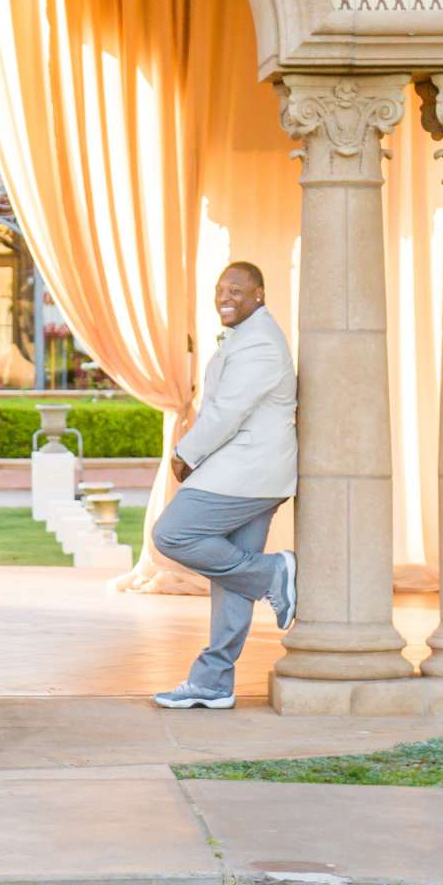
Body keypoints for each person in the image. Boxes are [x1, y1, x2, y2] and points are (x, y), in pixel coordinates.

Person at [151, 261, 298, 710]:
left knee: (172, 534)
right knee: (232, 575)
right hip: (253, 473)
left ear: (260, 295)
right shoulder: (248, 337)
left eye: (236, 289)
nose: (225, 297)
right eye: (220, 289)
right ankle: (214, 681)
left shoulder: (260, 345)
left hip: (248, 471)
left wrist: (185, 453)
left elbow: (227, 413)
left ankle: (276, 573)